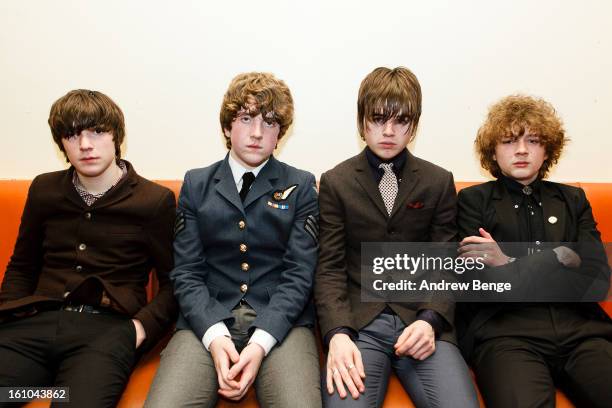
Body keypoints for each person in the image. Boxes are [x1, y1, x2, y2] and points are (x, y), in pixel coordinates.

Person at [146, 72, 321, 407]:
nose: (257, 133)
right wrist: (214, 336)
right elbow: (186, 272)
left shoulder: (300, 185)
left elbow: (300, 274)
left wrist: (260, 343)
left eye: (269, 123)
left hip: (280, 321)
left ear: (280, 134)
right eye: (245, 119)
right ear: (227, 127)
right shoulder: (196, 184)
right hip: (207, 317)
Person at [0, 89, 177, 407]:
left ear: (116, 136)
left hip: (105, 331)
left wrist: (138, 330)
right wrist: (12, 313)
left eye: (97, 131)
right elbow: (23, 264)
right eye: (72, 135)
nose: (85, 145)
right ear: (61, 144)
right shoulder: (44, 189)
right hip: (35, 324)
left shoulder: (154, 201)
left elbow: (175, 283)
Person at [315, 66, 478, 408]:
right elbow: (329, 266)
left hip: (421, 318)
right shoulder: (335, 181)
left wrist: (431, 320)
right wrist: (337, 334)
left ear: (414, 125)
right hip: (359, 324)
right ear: (362, 122)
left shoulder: (437, 181)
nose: (388, 131)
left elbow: (446, 262)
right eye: (377, 119)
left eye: (401, 120)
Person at [456, 94, 612, 407]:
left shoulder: (573, 200)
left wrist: (507, 262)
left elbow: (596, 282)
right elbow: (483, 287)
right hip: (506, 335)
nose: (522, 150)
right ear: (493, 151)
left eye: (534, 140)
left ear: (548, 149)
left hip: (583, 332)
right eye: (510, 141)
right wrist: (558, 256)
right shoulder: (473, 202)